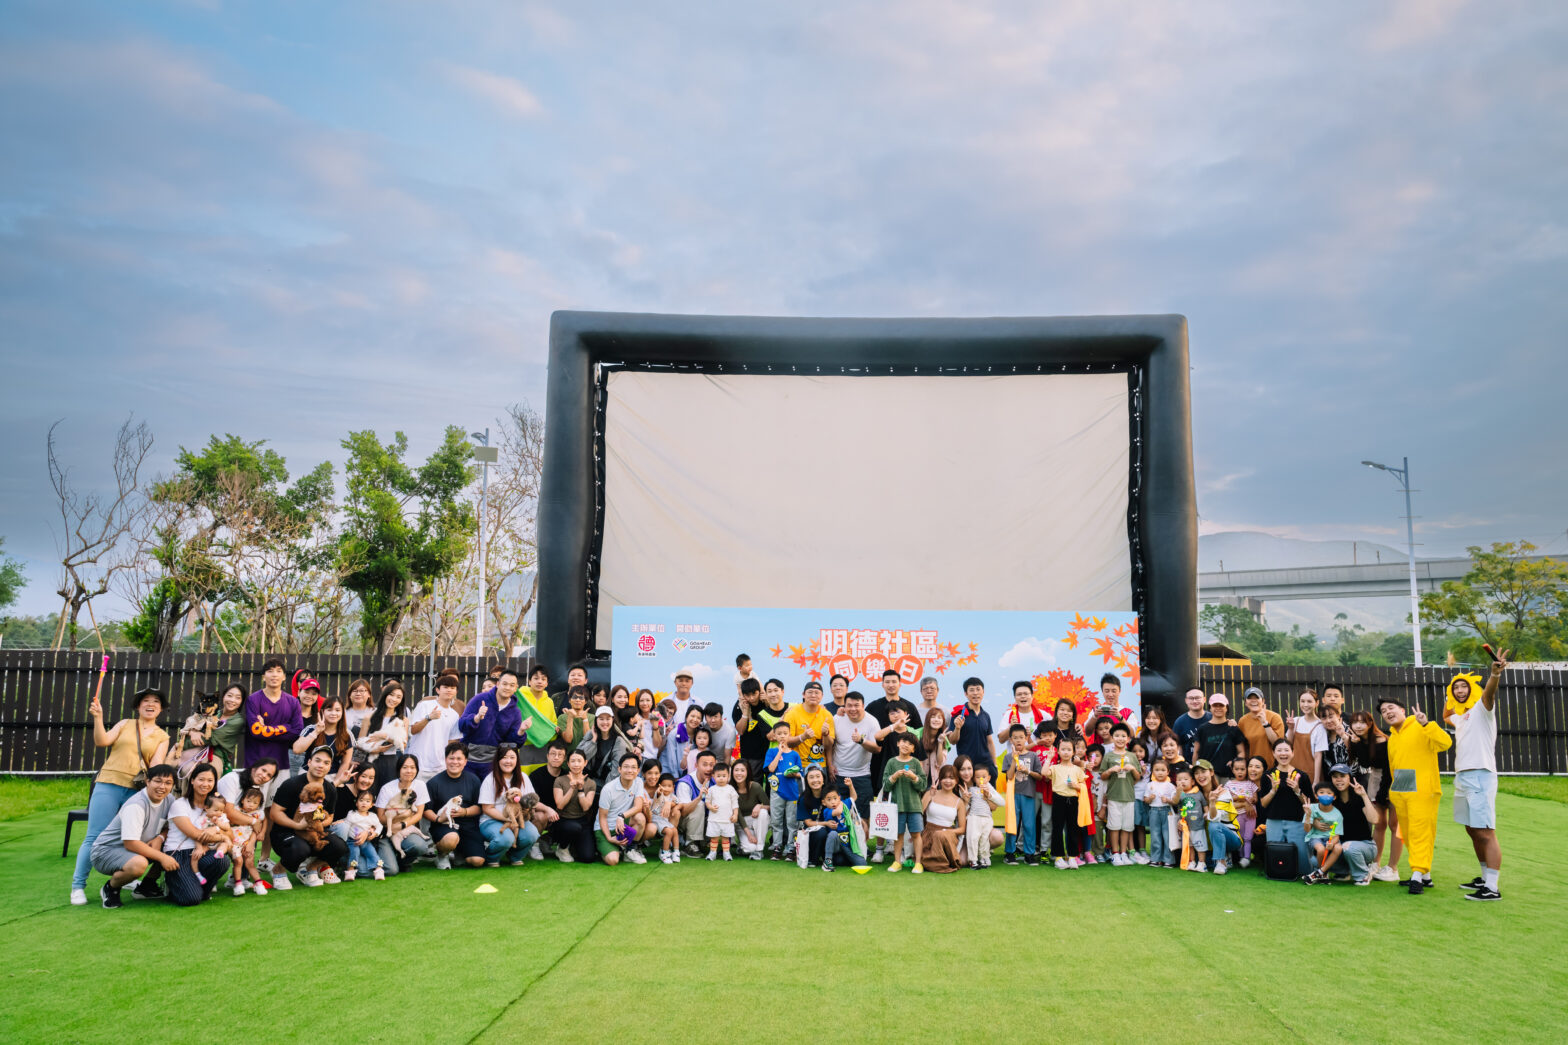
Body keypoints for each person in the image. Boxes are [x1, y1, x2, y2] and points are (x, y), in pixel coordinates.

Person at [71, 685, 171, 906]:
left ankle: (124, 876)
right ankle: (78, 886)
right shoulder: (125, 724)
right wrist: (98, 718)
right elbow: (102, 741)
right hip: (109, 782)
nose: (151, 704)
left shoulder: (163, 736)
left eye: (156, 701)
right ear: (138, 706)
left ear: (161, 709)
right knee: (94, 835)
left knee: (132, 837)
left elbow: (155, 766)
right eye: (146, 700)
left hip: (136, 790)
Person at [1379, 695, 1452, 895]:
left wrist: (1426, 723)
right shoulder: (1393, 737)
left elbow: (1445, 742)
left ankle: (1417, 874)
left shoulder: (1420, 725)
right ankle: (1425, 876)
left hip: (1423, 787)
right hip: (1402, 788)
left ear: (1403, 709)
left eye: (1390, 708)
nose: (1387, 713)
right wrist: (1394, 791)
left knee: (1421, 830)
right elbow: (1394, 766)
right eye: (1384, 711)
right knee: (1409, 832)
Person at [1450, 653, 1508, 900]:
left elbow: (1489, 694)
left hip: (1481, 774)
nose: (1460, 690)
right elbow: (1446, 715)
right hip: (1462, 776)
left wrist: (1494, 674)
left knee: (1486, 831)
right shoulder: (1461, 717)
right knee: (1472, 830)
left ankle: (1492, 888)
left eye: (1464, 686)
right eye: (1456, 688)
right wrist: (1448, 692)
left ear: (1472, 689)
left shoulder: (1482, 708)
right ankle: (1484, 878)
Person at [90, 763, 178, 909]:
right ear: (147, 781)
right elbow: (130, 843)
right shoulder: (136, 805)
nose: (162, 787)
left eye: (168, 783)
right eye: (157, 781)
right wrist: (162, 857)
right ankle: (111, 888)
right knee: (139, 864)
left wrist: (160, 837)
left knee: (172, 843)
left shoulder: (170, 800)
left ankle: (146, 887)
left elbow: (171, 827)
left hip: (138, 848)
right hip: (106, 852)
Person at [269, 746, 347, 886]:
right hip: (286, 832)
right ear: (309, 762)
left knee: (339, 846)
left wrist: (317, 824)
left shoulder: (330, 788)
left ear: (330, 767)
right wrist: (298, 825)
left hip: (313, 830)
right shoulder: (291, 784)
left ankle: (312, 868)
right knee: (300, 849)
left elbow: (330, 817)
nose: (321, 765)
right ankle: (279, 869)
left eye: (326, 762)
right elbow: (274, 813)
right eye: (317, 760)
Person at [162, 763, 233, 906]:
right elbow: (196, 834)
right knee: (191, 899)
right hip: (179, 853)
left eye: (210, 780)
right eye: (201, 779)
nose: (205, 784)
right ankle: (174, 884)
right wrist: (222, 836)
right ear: (192, 780)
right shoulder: (180, 805)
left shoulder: (216, 806)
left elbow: (231, 835)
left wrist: (217, 831)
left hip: (203, 851)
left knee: (221, 860)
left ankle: (200, 889)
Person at [424, 742, 487, 869]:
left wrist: (464, 812)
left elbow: (479, 807)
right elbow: (426, 810)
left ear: (465, 761)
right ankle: (442, 855)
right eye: (451, 758)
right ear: (445, 759)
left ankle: (460, 852)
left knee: (477, 861)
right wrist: (438, 819)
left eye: (459, 759)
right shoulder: (433, 783)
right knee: (451, 838)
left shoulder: (473, 780)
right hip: (444, 825)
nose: (455, 762)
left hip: (468, 825)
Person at [459, 669, 529, 777]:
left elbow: (512, 744)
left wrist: (521, 731)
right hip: (468, 759)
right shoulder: (479, 699)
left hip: (492, 764)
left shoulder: (515, 712)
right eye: (504, 684)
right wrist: (476, 718)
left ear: (516, 688)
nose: (507, 688)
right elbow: (462, 725)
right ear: (498, 684)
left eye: (511, 685)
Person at [479, 745, 541, 866]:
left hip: (517, 819)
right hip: (491, 820)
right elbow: (487, 808)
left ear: (517, 760)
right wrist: (508, 819)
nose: (508, 761)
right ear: (498, 760)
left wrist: (528, 810)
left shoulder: (523, 778)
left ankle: (514, 856)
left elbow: (530, 801)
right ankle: (491, 857)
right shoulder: (490, 779)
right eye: (504, 757)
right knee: (505, 838)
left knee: (532, 834)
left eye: (512, 757)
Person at [1257, 738, 1311, 874]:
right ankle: (1278, 875)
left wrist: (1297, 790)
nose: (1283, 754)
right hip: (1274, 820)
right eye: (1279, 750)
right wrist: (1273, 790)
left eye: (1286, 750)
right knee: (1275, 855)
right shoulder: (1268, 776)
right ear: (1274, 753)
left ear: (1292, 753)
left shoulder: (1301, 776)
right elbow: (1263, 803)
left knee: (1302, 860)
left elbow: (1309, 804)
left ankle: (1303, 875)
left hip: (1297, 821)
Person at [375, 753, 433, 875]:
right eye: (405, 767)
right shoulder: (387, 789)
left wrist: (402, 824)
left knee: (421, 846)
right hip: (386, 833)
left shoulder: (420, 785)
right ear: (398, 769)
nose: (409, 771)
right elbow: (380, 818)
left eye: (412, 767)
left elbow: (418, 815)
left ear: (417, 770)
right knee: (391, 870)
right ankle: (390, 854)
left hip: (404, 830)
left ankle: (404, 861)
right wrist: (402, 816)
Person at [1325, 765, 1381, 885]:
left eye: (1342, 776)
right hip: (1341, 846)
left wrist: (1364, 795)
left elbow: (1374, 820)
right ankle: (1344, 872)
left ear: (1349, 777)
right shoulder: (1331, 800)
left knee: (1349, 847)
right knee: (1316, 858)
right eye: (1335, 777)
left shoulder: (1358, 797)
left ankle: (1363, 875)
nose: (1338, 779)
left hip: (1365, 846)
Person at [865, 670, 920, 790]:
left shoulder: (909, 707)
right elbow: (860, 720)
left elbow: (919, 732)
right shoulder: (873, 706)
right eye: (887, 682)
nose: (891, 685)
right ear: (882, 684)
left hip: (906, 761)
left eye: (894, 682)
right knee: (881, 796)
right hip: (879, 759)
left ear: (900, 684)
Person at [244, 658, 303, 770]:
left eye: (278, 671)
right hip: (256, 762)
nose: (274, 675)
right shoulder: (253, 700)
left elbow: (297, 731)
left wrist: (265, 729)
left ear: (284, 677)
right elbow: (256, 732)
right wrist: (286, 727)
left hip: (282, 763)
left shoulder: (293, 702)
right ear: (263, 677)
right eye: (270, 671)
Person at [832, 690, 879, 825]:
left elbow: (877, 749)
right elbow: (831, 745)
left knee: (863, 815)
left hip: (861, 775)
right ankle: (842, 844)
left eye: (856, 705)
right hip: (838, 774)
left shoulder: (871, 721)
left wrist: (862, 741)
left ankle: (862, 846)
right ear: (844, 706)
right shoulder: (837, 719)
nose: (853, 709)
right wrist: (830, 765)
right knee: (838, 814)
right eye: (849, 705)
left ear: (863, 705)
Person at [883, 732, 927, 873]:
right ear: (898, 743)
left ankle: (918, 863)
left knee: (916, 834)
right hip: (897, 806)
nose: (906, 745)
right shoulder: (891, 762)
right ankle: (897, 862)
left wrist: (914, 777)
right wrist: (894, 776)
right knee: (899, 835)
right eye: (903, 741)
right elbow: (885, 785)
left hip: (914, 806)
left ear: (914, 749)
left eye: (910, 744)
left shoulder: (915, 762)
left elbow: (923, 785)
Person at [408, 674, 464, 783]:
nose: (449, 690)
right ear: (438, 690)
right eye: (445, 687)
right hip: (418, 764)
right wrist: (428, 718)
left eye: (452, 688)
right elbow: (413, 730)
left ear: (456, 692)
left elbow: (451, 743)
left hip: (440, 767)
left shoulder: (454, 715)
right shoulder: (425, 705)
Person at [1100, 722, 1143, 864]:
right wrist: (1111, 770)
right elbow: (1102, 776)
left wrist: (1132, 769)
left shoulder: (1132, 756)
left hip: (1129, 797)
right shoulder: (1109, 756)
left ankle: (1124, 853)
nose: (1120, 739)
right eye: (1117, 736)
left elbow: (1138, 777)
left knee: (1127, 827)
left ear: (1128, 739)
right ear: (1112, 738)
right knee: (1114, 826)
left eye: (1123, 736)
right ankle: (1115, 853)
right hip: (1113, 797)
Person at [598, 752, 650, 866]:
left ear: (638, 771)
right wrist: (609, 838)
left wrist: (621, 816)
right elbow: (602, 817)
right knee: (613, 861)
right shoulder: (608, 789)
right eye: (626, 767)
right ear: (619, 769)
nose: (630, 770)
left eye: (633, 767)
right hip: (605, 827)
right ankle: (605, 847)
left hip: (622, 823)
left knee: (640, 818)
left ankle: (629, 850)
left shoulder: (638, 782)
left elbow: (638, 806)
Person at [357, 680, 411, 785]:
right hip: (370, 761)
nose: (394, 699)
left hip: (390, 762)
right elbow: (359, 743)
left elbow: (403, 744)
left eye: (398, 697)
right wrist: (373, 750)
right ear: (385, 695)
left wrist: (385, 736)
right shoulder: (369, 716)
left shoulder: (403, 720)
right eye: (391, 695)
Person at [550, 749, 599, 864]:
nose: (576, 764)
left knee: (588, 858)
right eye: (572, 761)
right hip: (563, 820)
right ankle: (562, 848)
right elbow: (560, 805)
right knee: (573, 828)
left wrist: (581, 789)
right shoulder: (560, 780)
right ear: (568, 763)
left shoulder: (591, 783)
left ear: (585, 763)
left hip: (582, 821)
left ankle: (573, 845)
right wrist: (572, 788)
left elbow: (586, 807)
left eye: (579, 761)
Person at [765, 719, 803, 860]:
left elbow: (800, 773)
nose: (782, 736)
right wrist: (779, 753)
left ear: (789, 734)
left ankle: (791, 848)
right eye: (779, 733)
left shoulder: (794, 754)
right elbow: (771, 768)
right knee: (776, 821)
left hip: (792, 793)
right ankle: (776, 847)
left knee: (792, 822)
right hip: (777, 792)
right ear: (774, 736)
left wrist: (795, 774)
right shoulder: (771, 751)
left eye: (785, 733)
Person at [920, 765, 967, 873]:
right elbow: (919, 812)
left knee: (940, 835)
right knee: (937, 835)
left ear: (956, 780)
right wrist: (929, 796)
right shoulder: (931, 793)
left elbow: (962, 829)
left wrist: (946, 832)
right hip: (928, 833)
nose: (948, 781)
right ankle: (938, 863)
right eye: (944, 778)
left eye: (951, 778)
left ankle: (939, 863)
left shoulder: (959, 802)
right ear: (940, 779)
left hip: (948, 835)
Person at [957, 757, 1003, 868]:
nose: (967, 773)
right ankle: (973, 858)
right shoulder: (959, 787)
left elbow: (997, 805)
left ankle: (983, 857)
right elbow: (960, 814)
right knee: (963, 861)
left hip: (984, 820)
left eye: (969, 769)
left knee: (987, 838)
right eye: (963, 769)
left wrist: (988, 796)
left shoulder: (987, 787)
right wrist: (966, 801)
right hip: (967, 826)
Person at [783, 680, 834, 776]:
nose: (813, 695)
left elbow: (829, 746)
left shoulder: (827, 715)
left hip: (820, 766)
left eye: (817, 693)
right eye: (810, 692)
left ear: (822, 696)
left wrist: (826, 734)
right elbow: (787, 742)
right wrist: (803, 737)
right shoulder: (792, 713)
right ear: (803, 694)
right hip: (796, 765)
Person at [947, 677, 996, 773]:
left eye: (978, 689)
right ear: (966, 693)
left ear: (983, 692)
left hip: (985, 766)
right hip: (966, 766)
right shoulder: (959, 714)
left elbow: (989, 742)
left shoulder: (985, 716)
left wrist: (994, 765)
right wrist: (957, 728)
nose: (975, 693)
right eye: (971, 690)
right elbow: (952, 741)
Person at [1191, 694, 1245, 778]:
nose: (1218, 708)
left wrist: (1235, 762)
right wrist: (1195, 772)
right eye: (1215, 705)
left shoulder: (1233, 728)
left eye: (1221, 705)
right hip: (1207, 775)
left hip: (1229, 775)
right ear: (1210, 708)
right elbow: (1196, 753)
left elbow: (1241, 752)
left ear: (1226, 708)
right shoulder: (1203, 729)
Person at [674, 750, 717, 856]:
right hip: (683, 824)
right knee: (699, 804)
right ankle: (689, 843)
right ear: (696, 765)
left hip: (703, 821)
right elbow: (683, 812)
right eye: (705, 764)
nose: (708, 768)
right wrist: (699, 798)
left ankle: (707, 841)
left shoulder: (715, 781)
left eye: (712, 765)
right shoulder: (685, 783)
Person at [1301, 781, 1344, 883]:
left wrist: (1332, 843)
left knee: (1338, 847)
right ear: (1316, 795)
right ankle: (1323, 873)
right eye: (1322, 792)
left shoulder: (1338, 814)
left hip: (1330, 839)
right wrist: (1307, 815)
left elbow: (1337, 835)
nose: (1325, 795)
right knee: (1321, 849)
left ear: (1334, 797)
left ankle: (1319, 873)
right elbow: (1307, 830)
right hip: (1315, 837)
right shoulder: (1311, 808)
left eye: (1329, 793)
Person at [815, 788, 866, 871]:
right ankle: (827, 861)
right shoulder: (827, 811)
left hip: (846, 844)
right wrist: (841, 802)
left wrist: (850, 785)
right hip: (836, 844)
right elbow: (838, 811)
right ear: (824, 802)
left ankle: (842, 859)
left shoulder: (843, 804)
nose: (833, 802)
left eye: (835, 798)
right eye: (829, 799)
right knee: (833, 834)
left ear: (839, 798)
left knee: (862, 863)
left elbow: (854, 797)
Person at [341, 788, 386, 881]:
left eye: (367, 801)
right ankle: (350, 871)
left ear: (372, 805)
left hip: (366, 842)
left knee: (372, 853)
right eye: (361, 800)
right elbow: (346, 824)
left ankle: (378, 870)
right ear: (356, 803)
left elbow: (379, 826)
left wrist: (375, 833)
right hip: (352, 841)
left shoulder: (373, 816)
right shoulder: (352, 813)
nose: (364, 803)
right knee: (354, 853)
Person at [1285, 688, 1328, 784]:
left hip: (1311, 773)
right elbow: (1288, 745)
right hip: (1293, 771)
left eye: (1309, 701)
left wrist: (1316, 780)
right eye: (1302, 701)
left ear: (1316, 703)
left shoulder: (1320, 726)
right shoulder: (1295, 721)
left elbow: (1318, 755)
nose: (1305, 705)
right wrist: (1291, 728)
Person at [1205, 773, 1244, 874]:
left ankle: (1221, 862)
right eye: (1196, 773)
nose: (1200, 776)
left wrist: (1212, 802)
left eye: (1203, 772)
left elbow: (1214, 819)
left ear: (1211, 773)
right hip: (1206, 842)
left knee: (1214, 825)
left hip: (1232, 839)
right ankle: (1225, 856)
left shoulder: (1223, 793)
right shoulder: (1195, 793)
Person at [1142, 758, 1176, 868]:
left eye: (1163, 770)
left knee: (1167, 836)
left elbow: (1175, 801)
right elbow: (1145, 800)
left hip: (1167, 811)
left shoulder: (1171, 786)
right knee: (1155, 835)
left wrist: (1168, 800)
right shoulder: (1150, 785)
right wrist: (1150, 799)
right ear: (1152, 771)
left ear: (1168, 772)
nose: (1160, 772)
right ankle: (1155, 858)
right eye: (1157, 770)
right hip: (1154, 811)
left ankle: (1168, 859)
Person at [1236, 686, 1285, 762]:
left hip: (1272, 768)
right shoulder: (1243, 721)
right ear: (1245, 702)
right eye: (1249, 698)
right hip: (1252, 768)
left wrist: (1265, 723)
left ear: (1263, 701)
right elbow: (1241, 746)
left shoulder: (1274, 717)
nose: (1253, 700)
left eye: (1257, 698)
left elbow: (1277, 744)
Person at [703, 761, 740, 861]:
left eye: (724, 776)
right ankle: (712, 853)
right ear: (713, 776)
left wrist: (735, 814)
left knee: (725, 837)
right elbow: (707, 802)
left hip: (727, 819)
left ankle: (726, 853)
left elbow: (735, 804)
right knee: (714, 837)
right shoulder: (711, 789)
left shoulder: (731, 789)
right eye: (718, 776)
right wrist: (710, 807)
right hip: (714, 819)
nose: (721, 778)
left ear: (728, 776)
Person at [650, 773, 681, 863]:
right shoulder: (658, 793)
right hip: (656, 819)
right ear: (659, 786)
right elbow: (658, 795)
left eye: (669, 786)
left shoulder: (672, 796)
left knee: (674, 830)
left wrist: (670, 803)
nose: (666, 788)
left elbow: (677, 803)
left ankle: (676, 851)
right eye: (663, 786)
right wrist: (660, 791)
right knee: (669, 831)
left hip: (664, 820)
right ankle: (665, 852)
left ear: (673, 787)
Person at [1171, 687, 1209, 751]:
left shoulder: (1212, 718)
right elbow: (1177, 745)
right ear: (1186, 701)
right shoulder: (1180, 722)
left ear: (1204, 699)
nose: (1194, 701)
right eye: (1191, 698)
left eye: (1197, 698)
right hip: (1188, 761)